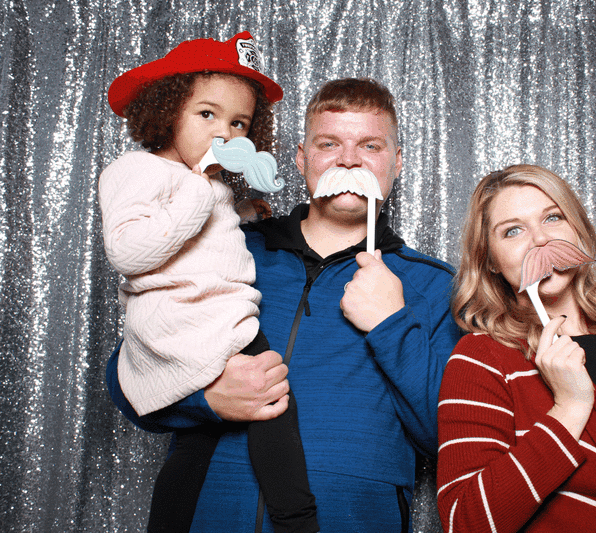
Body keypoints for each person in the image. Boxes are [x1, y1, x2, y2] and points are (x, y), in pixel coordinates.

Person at [106, 77, 463, 532]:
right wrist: (206, 399)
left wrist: (391, 324)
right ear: (301, 158)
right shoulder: (229, 248)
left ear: (397, 162)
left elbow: (450, 436)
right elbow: (129, 375)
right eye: (329, 143)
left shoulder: (435, 285)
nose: (349, 159)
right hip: (205, 515)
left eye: (370, 146)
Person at [100, 32, 318, 533]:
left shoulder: (209, 184)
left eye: (238, 123)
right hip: (188, 319)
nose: (224, 133)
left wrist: (240, 211)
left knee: (216, 431)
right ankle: (296, 518)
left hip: (217, 314)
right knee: (270, 401)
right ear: (166, 111)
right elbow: (129, 251)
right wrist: (202, 193)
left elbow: (205, 234)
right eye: (207, 114)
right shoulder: (138, 169)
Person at [437, 164, 596, 532]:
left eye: (553, 218)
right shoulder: (483, 357)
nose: (540, 240)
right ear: (491, 261)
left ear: (579, 229)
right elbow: (465, 521)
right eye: (513, 231)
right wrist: (569, 408)